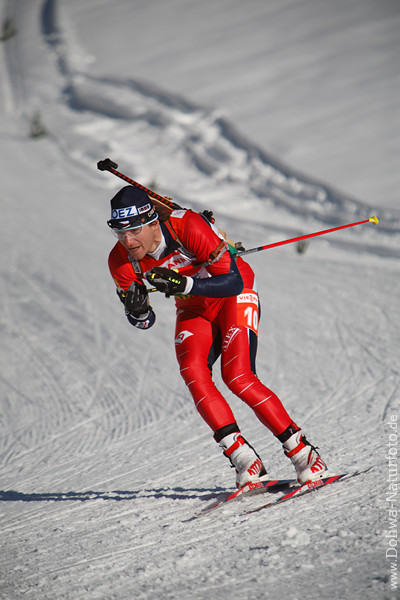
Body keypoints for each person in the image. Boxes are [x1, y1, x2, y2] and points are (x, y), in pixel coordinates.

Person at [107, 185, 328, 488]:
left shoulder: (188, 226)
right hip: (193, 308)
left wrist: (185, 284)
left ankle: (304, 454)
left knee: (238, 376)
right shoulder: (120, 261)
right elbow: (144, 322)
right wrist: (137, 310)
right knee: (193, 372)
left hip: (233, 296)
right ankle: (245, 460)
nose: (128, 241)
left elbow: (233, 282)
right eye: (120, 233)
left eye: (134, 231)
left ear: (152, 222)